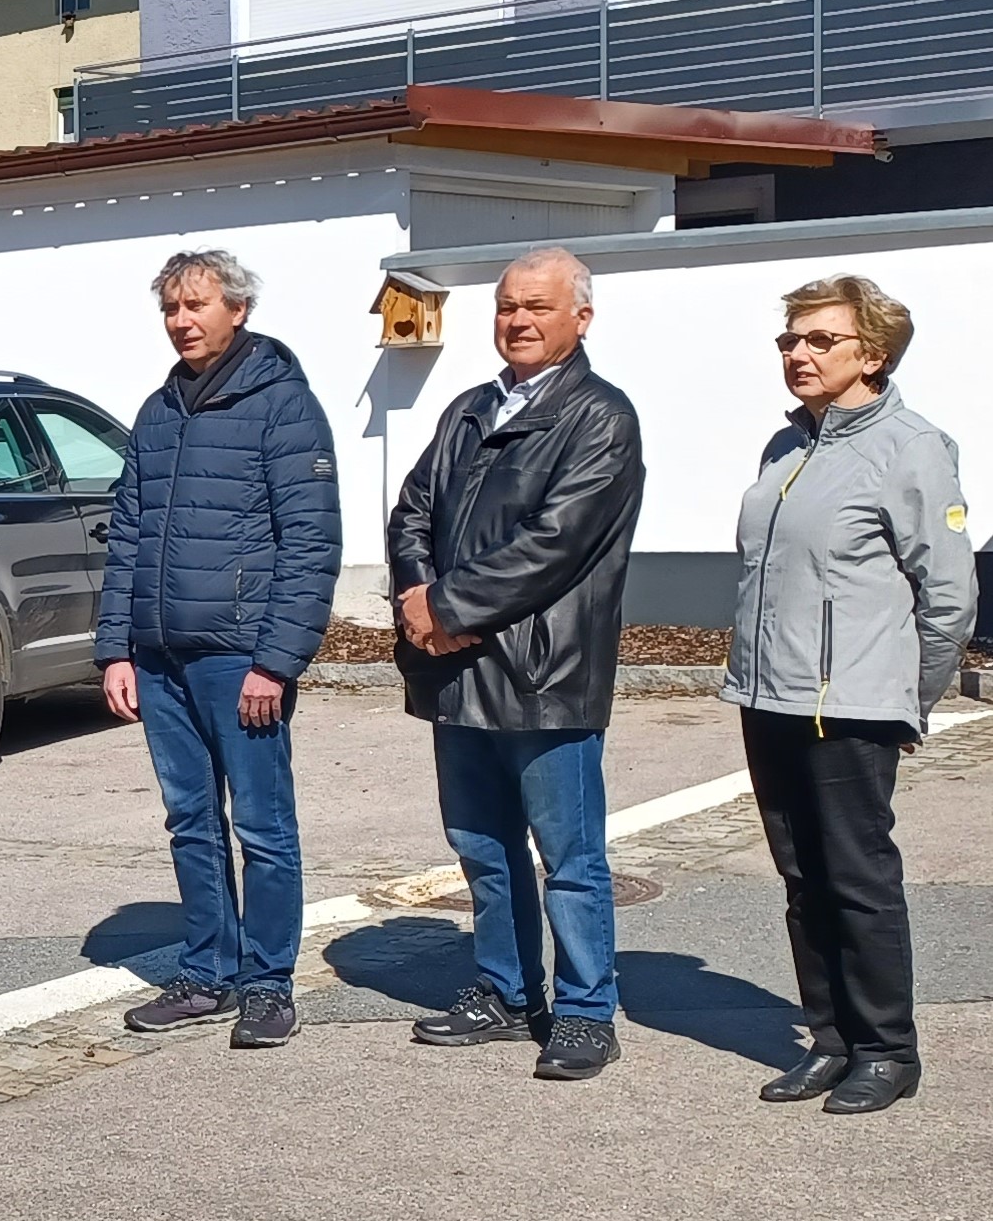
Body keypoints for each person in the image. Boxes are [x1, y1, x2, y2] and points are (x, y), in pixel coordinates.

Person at [387, 246, 645, 1081]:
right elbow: (412, 509)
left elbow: (555, 544)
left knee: (568, 857)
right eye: (506, 306)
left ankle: (582, 1009)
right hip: (456, 674)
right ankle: (502, 990)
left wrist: (449, 608)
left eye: (537, 306)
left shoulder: (600, 417)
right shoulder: (468, 409)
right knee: (480, 846)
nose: (518, 321)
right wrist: (417, 598)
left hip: (544, 676)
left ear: (580, 318)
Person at [723, 274, 973, 1114]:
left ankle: (886, 1049)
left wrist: (909, 697)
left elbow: (947, 597)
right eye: (788, 341)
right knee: (801, 879)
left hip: (850, 702)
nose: (797, 354)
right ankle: (828, 1040)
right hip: (769, 695)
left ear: (871, 353)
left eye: (818, 340)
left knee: (857, 878)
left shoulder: (911, 446)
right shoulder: (785, 446)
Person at [94, 248, 342, 1050]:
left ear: (237, 310)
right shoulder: (157, 412)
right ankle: (206, 971)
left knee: (263, 828)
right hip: (160, 658)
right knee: (190, 821)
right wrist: (115, 651)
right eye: (171, 308)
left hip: (241, 658)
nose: (181, 321)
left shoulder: (283, 407)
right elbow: (127, 534)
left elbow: (309, 542)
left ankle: (267, 984)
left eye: (196, 305)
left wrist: (277, 660)